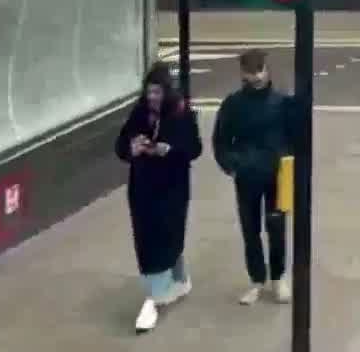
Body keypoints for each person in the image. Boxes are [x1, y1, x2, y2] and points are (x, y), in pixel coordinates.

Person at [117, 64, 201, 333]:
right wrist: (132, 147)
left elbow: (194, 148)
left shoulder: (181, 113)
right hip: (142, 188)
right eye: (149, 92)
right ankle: (163, 289)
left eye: (157, 92)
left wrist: (171, 150)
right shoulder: (139, 113)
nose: (152, 97)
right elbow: (120, 145)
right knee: (148, 239)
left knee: (168, 234)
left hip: (172, 189)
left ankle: (157, 298)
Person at [212, 49, 292, 306]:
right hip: (246, 177)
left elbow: (296, 139)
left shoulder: (282, 102)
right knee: (251, 230)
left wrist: (290, 169)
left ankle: (278, 278)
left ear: (267, 70)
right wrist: (231, 166)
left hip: (279, 176)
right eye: (251, 71)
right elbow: (221, 140)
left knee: (277, 228)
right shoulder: (233, 104)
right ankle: (257, 280)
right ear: (242, 74)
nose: (256, 76)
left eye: (260, 70)